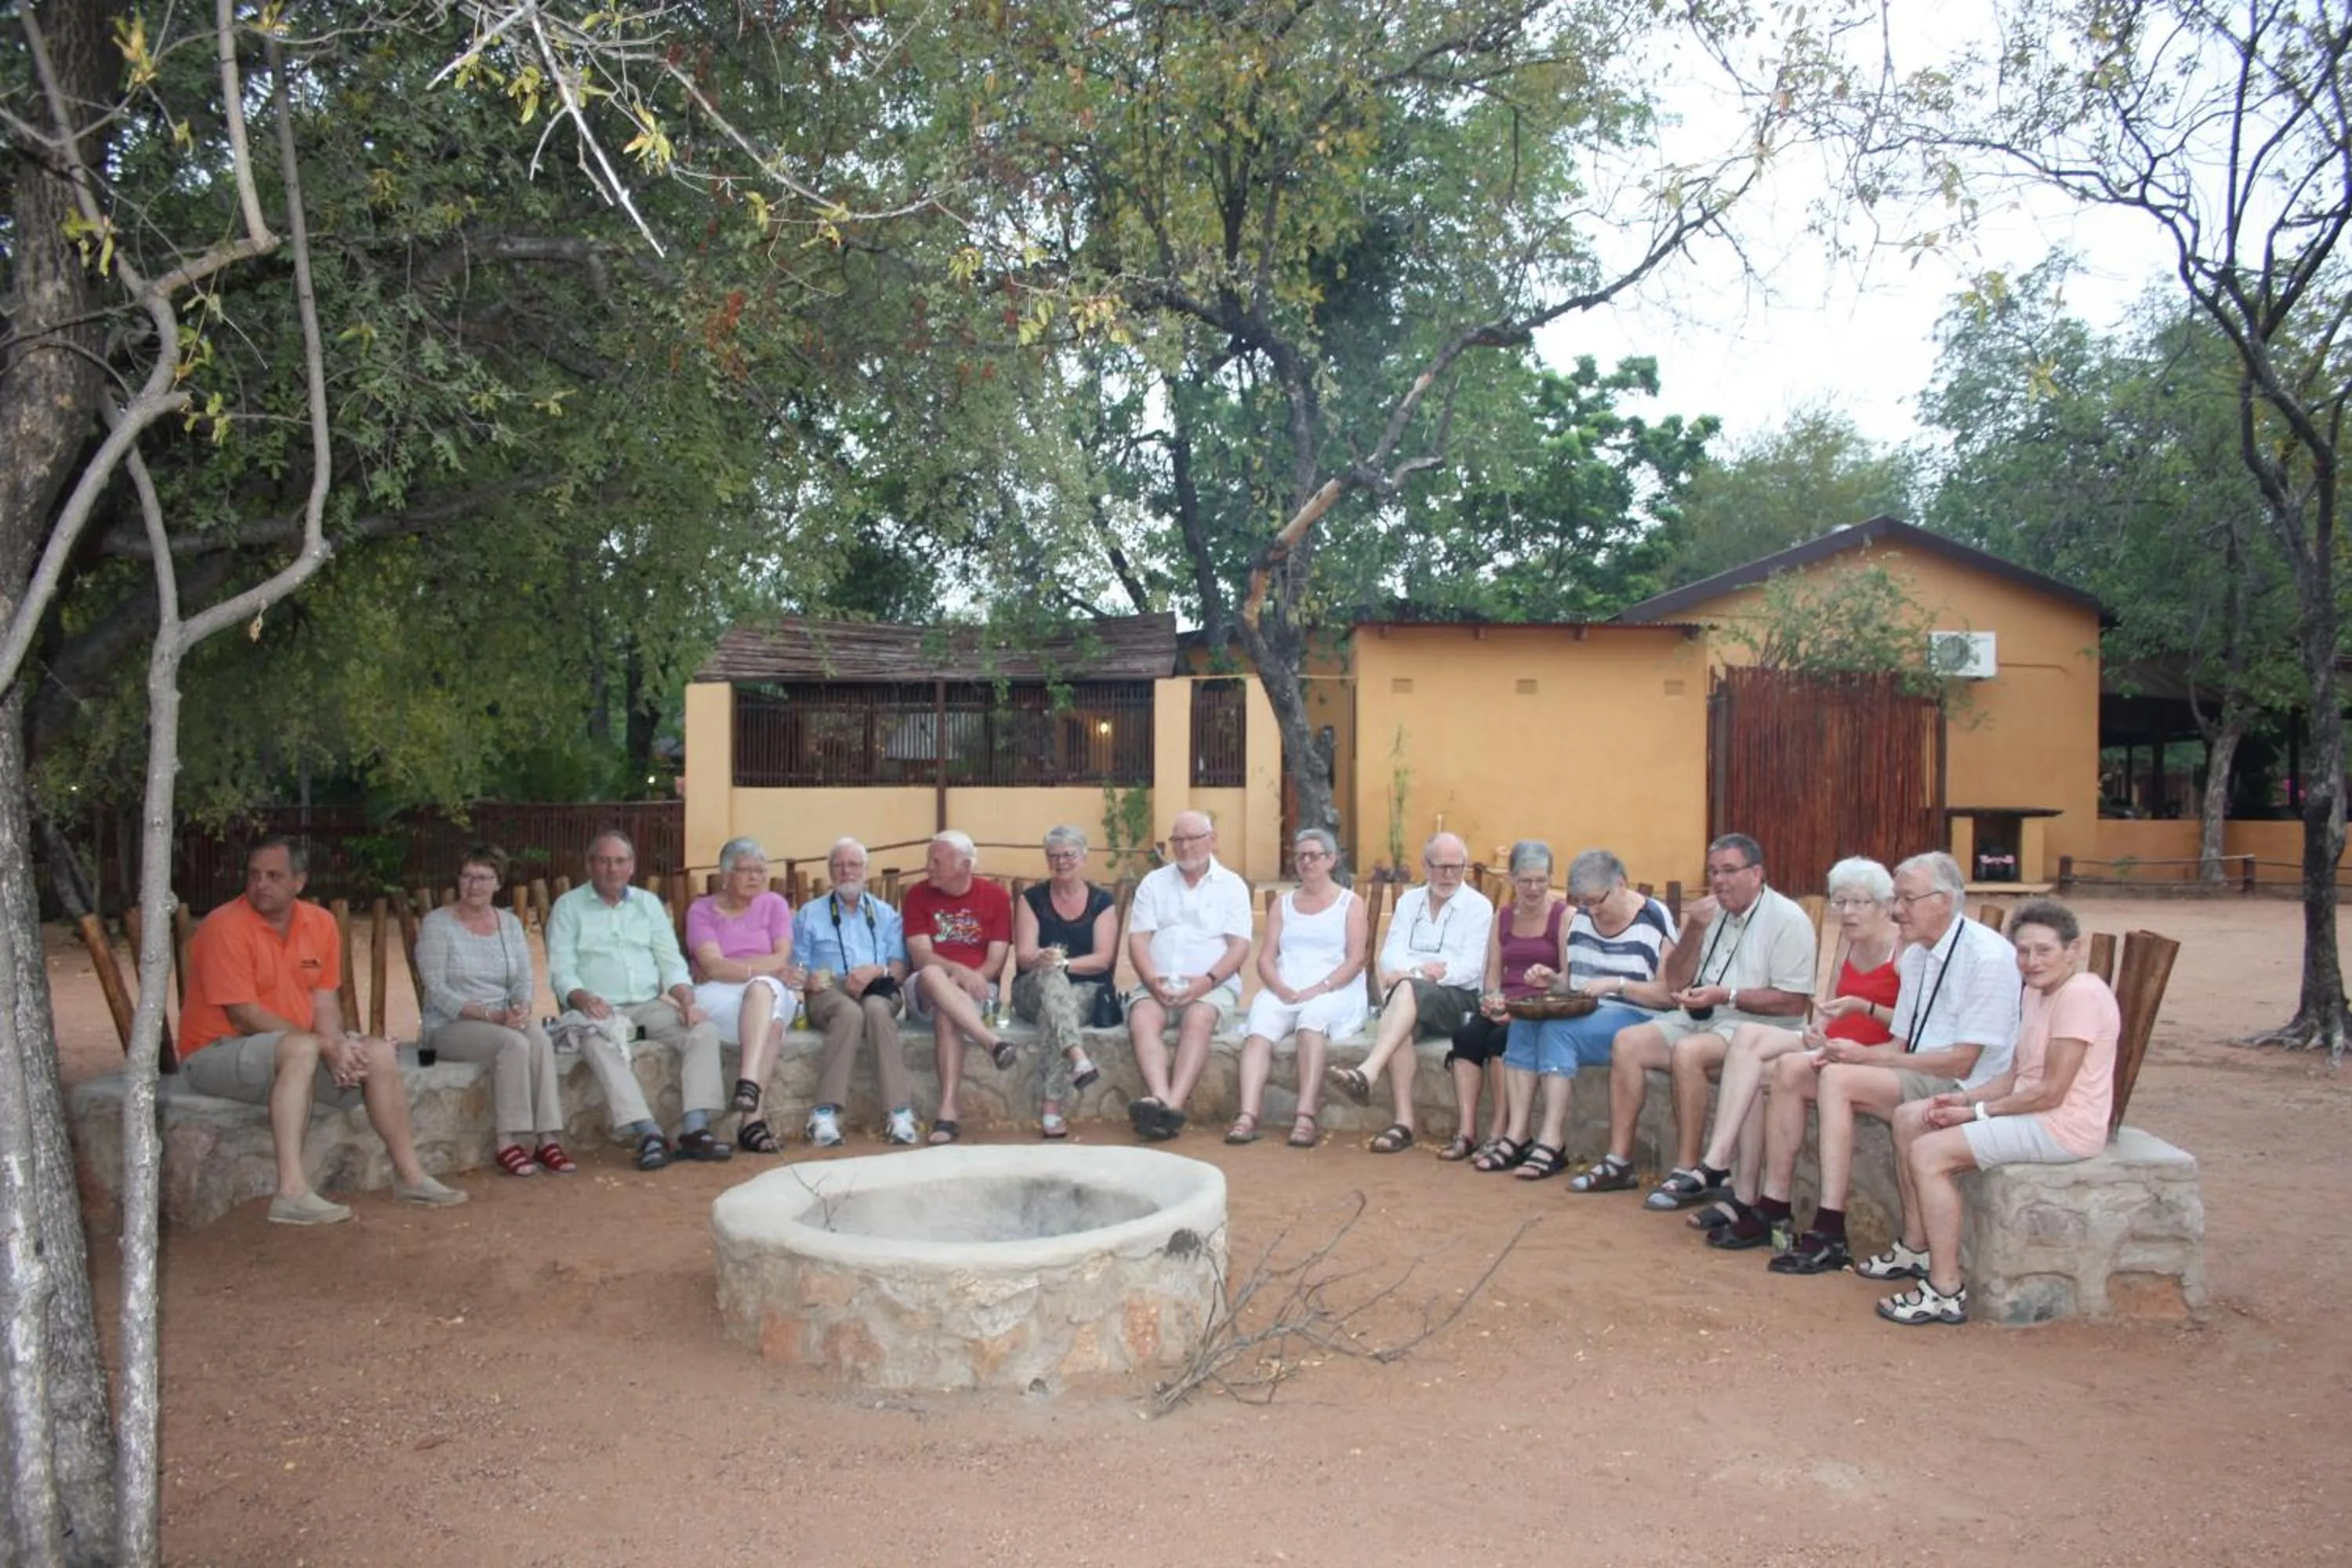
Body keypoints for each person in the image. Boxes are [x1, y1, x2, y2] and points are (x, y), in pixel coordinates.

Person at [1754, 850, 2019, 1276]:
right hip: (1920, 1073)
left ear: (1945, 900)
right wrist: (1857, 1053)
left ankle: (1829, 1228)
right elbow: (1902, 1041)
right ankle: (1774, 1204)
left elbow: (1963, 1063)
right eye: (1897, 898)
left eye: (1907, 899)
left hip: (1963, 1086)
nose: (1897, 911)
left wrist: (1862, 1058)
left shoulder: (1986, 957)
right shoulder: (1916, 956)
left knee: (1838, 1080)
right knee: (1792, 1069)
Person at [179, 838, 467, 1223]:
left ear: (299, 881)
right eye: (254, 875)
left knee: (379, 1053)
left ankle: (410, 1176)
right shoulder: (223, 926)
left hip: (293, 1050)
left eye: (273, 876)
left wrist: (337, 1045)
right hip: (215, 1053)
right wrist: (323, 1045)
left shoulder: (321, 923)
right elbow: (244, 1016)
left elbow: (324, 1001)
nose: (260, 884)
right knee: (300, 1049)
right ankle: (291, 1193)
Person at [1874, 898, 2119, 1325]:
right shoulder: (2036, 993)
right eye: (2023, 951)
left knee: (1929, 1154)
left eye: (2044, 950)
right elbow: (2016, 1076)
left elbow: (2051, 1091)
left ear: (2073, 950)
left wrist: (1978, 1114)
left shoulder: (2081, 995)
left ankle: (1944, 1288)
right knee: (1913, 1116)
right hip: (2035, 1113)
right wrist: (1963, 1100)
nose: (2031, 961)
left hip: (2064, 1126)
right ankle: (1916, 1249)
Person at [1568, 833, 1816, 1202]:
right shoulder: (1709, 914)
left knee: (1689, 1052)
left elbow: (1795, 1004)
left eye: (1729, 871)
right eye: (1714, 871)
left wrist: (1727, 995)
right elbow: (1676, 982)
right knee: (1629, 1043)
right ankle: (1619, 1160)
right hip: (1703, 1017)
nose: (1719, 881)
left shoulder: (1788, 919)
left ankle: (1687, 1169)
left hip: (1761, 1029)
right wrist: (1694, 929)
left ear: (1756, 873)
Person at [1688, 857, 1903, 1247]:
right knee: (1748, 1041)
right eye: (1839, 903)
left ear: (1885, 905)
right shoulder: (1849, 944)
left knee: (1767, 1070)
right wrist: (1822, 1025)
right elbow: (1835, 1001)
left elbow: (1910, 1026)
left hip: (1868, 1052)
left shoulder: (1902, 951)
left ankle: (1749, 1193)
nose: (1846, 913)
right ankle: (1724, 1166)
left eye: (1858, 903)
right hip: (1831, 1041)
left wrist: (1860, 1011)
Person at [545, 830, 732, 1171]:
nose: (612, 869)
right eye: (604, 861)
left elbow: (670, 962)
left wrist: (687, 1001)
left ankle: (695, 1129)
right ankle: (648, 1133)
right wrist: (584, 998)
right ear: (590, 865)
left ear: (632, 866)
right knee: (597, 1042)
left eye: (619, 861)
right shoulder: (568, 907)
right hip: (599, 1009)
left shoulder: (647, 904)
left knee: (702, 1031)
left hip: (648, 1006)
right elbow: (561, 970)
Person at [1488, 848, 1676, 1178]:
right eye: (1584, 902)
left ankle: (1552, 1140)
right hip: (1590, 1013)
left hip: (1639, 1017)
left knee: (1557, 1032)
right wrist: (1552, 980)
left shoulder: (1654, 918)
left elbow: (1669, 994)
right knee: (1522, 1026)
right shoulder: (1581, 920)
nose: (1592, 910)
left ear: (1620, 884)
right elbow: (1575, 986)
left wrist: (1618, 985)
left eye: (1597, 900)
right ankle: (1517, 1134)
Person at [1327, 832, 1494, 1154]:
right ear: (1425, 866)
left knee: (1404, 992)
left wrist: (1414, 974)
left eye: (1456, 867)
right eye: (1440, 867)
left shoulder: (1478, 907)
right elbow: (1390, 956)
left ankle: (1368, 1072)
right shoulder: (1408, 902)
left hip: (1457, 999)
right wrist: (1418, 972)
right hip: (1412, 997)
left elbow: (1468, 967)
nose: (1448, 875)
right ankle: (1403, 1123)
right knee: (1399, 1023)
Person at [415, 845, 574, 1178]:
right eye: (468, 877)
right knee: (512, 1043)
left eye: (483, 878)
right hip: (449, 1025)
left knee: (539, 1039)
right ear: (458, 880)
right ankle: (507, 1142)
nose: (474, 885)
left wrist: (521, 1007)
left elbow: (523, 978)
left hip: (501, 1018)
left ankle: (546, 1138)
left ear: (498, 883)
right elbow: (437, 990)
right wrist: (491, 1016)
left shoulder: (510, 924)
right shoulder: (437, 924)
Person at [1229, 827, 1369, 1149]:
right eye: (1301, 855)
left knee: (1311, 1022)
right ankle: (1248, 1114)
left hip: (1336, 988)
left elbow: (1355, 959)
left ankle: (1305, 1114)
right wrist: (1279, 986)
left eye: (1314, 855)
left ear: (1331, 860)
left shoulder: (1350, 903)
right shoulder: (1283, 904)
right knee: (1259, 1026)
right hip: (1287, 986)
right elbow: (1265, 959)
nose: (1306, 862)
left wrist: (1319, 988)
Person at [1124, 809, 1254, 1140]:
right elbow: (1138, 938)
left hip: (1211, 984)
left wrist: (1206, 982)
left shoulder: (1232, 886)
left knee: (1198, 1019)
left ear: (1212, 841)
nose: (1183, 847)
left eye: (1191, 839)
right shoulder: (1154, 883)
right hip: (1158, 982)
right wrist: (1152, 979)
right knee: (1142, 1017)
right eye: (1176, 840)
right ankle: (1159, 1096)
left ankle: (1173, 1104)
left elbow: (1239, 947)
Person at [792, 838, 918, 1148]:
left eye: (853, 865)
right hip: (828, 989)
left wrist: (877, 971)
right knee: (849, 1013)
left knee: (875, 1010)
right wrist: (807, 980)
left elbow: (900, 968)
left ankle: (899, 1113)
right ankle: (823, 1114)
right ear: (830, 871)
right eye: (839, 865)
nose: (846, 871)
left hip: (877, 986)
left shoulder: (886, 913)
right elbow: (797, 967)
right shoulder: (810, 914)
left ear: (866, 870)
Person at [685, 837, 800, 1155]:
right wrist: (757, 970)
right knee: (773, 1023)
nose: (756, 877)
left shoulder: (775, 904)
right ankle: (752, 1121)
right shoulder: (702, 910)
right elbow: (711, 965)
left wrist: (736, 967)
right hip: (719, 996)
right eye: (746, 870)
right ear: (724, 874)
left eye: (760, 870)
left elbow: (781, 958)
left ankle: (747, 1084)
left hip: (769, 989)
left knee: (763, 993)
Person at [902, 829, 1014, 1145]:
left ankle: (948, 1112)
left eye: (937, 861)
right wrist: (957, 971)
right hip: (924, 987)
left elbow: (995, 960)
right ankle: (991, 1042)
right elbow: (921, 956)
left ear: (964, 866)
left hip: (977, 988)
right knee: (935, 976)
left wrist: (969, 979)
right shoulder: (917, 896)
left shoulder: (996, 897)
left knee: (946, 1014)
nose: (929, 867)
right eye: (929, 860)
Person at [1011, 826, 1115, 1139]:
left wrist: (1064, 963)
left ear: (1083, 857)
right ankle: (1078, 1057)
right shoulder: (1032, 900)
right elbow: (1024, 956)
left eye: (1069, 855)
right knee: (1051, 976)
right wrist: (1042, 960)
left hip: (1086, 988)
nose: (1061, 862)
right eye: (1053, 856)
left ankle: (1051, 1107)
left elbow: (1103, 959)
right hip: (1032, 989)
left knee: (1053, 1014)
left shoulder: (1102, 902)